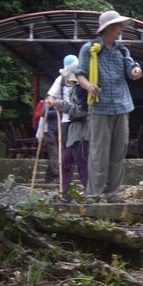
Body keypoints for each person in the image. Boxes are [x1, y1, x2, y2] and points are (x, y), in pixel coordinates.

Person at [75, 10, 142, 204]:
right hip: (100, 106)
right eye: (117, 26)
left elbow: (131, 68)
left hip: (122, 105)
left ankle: (113, 193)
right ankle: (93, 194)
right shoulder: (90, 49)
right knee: (98, 151)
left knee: (118, 151)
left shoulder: (122, 50)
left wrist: (136, 70)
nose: (120, 29)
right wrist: (88, 86)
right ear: (108, 28)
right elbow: (80, 74)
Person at [51, 56, 89, 202]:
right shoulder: (75, 89)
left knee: (82, 164)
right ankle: (64, 193)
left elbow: (83, 111)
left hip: (82, 132)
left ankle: (90, 194)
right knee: (65, 162)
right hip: (74, 133)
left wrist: (62, 104)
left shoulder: (82, 90)